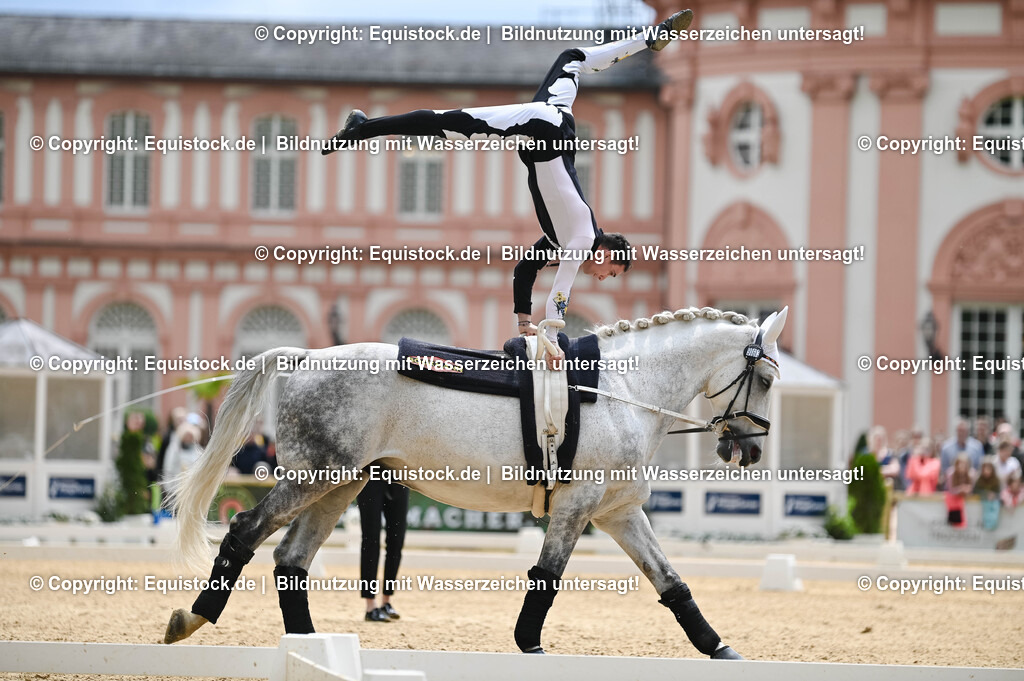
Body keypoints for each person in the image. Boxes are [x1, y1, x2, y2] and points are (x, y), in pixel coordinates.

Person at [323, 11, 698, 358]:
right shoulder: (582, 238)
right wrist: (552, 343)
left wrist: (524, 323)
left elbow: (524, 270)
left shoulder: (561, 239)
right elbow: (560, 295)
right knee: (448, 123)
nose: (603, 278)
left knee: (572, 58)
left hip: (555, 121)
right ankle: (362, 129)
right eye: (611, 272)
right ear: (605, 254)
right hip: (544, 130)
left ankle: (651, 37)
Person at [356, 478, 410, 622]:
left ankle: (386, 601)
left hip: (399, 477)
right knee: (371, 539)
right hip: (370, 476)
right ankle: (370, 605)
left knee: (396, 541)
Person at [939, 419, 984, 485]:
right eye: (959, 430)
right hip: (952, 485)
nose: (961, 433)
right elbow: (944, 469)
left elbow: (979, 468)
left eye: (964, 431)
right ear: (956, 431)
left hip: (972, 485)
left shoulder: (977, 447)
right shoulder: (946, 447)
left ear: (968, 431)